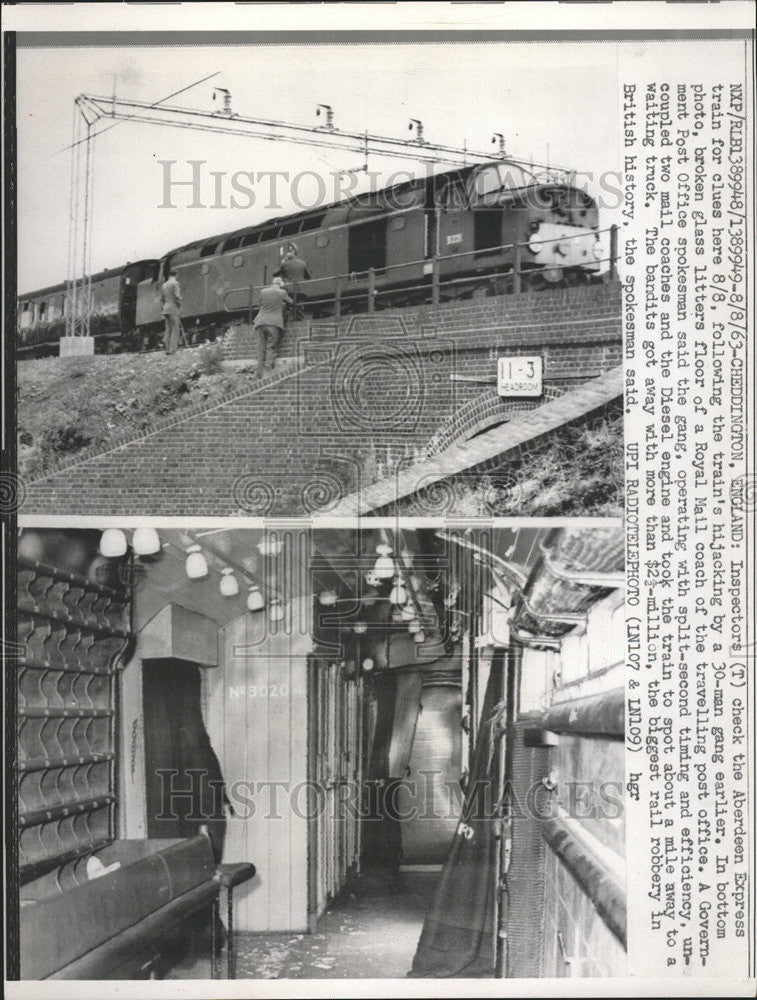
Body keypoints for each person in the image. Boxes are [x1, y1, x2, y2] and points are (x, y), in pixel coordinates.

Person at [252, 276, 291, 375]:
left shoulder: (263, 291)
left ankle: (259, 372)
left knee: (261, 348)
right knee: (271, 346)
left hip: (260, 322)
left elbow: (259, 304)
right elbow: (291, 302)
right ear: (280, 284)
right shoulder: (282, 292)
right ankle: (269, 370)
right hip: (273, 323)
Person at [277, 248, 310, 317]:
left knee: (289, 305)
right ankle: (300, 316)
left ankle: (286, 320)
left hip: (290, 289)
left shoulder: (285, 264)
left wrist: (282, 263)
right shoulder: (303, 263)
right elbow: (308, 276)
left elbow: (275, 274)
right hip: (301, 289)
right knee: (299, 305)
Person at [161, 268, 182, 355]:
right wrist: (179, 304)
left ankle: (167, 349)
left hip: (165, 309)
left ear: (169, 275)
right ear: (176, 275)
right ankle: (173, 350)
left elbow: (162, 299)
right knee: (175, 329)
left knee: (168, 329)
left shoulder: (164, 285)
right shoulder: (175, 283)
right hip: (173, 309)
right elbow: (177, 296)